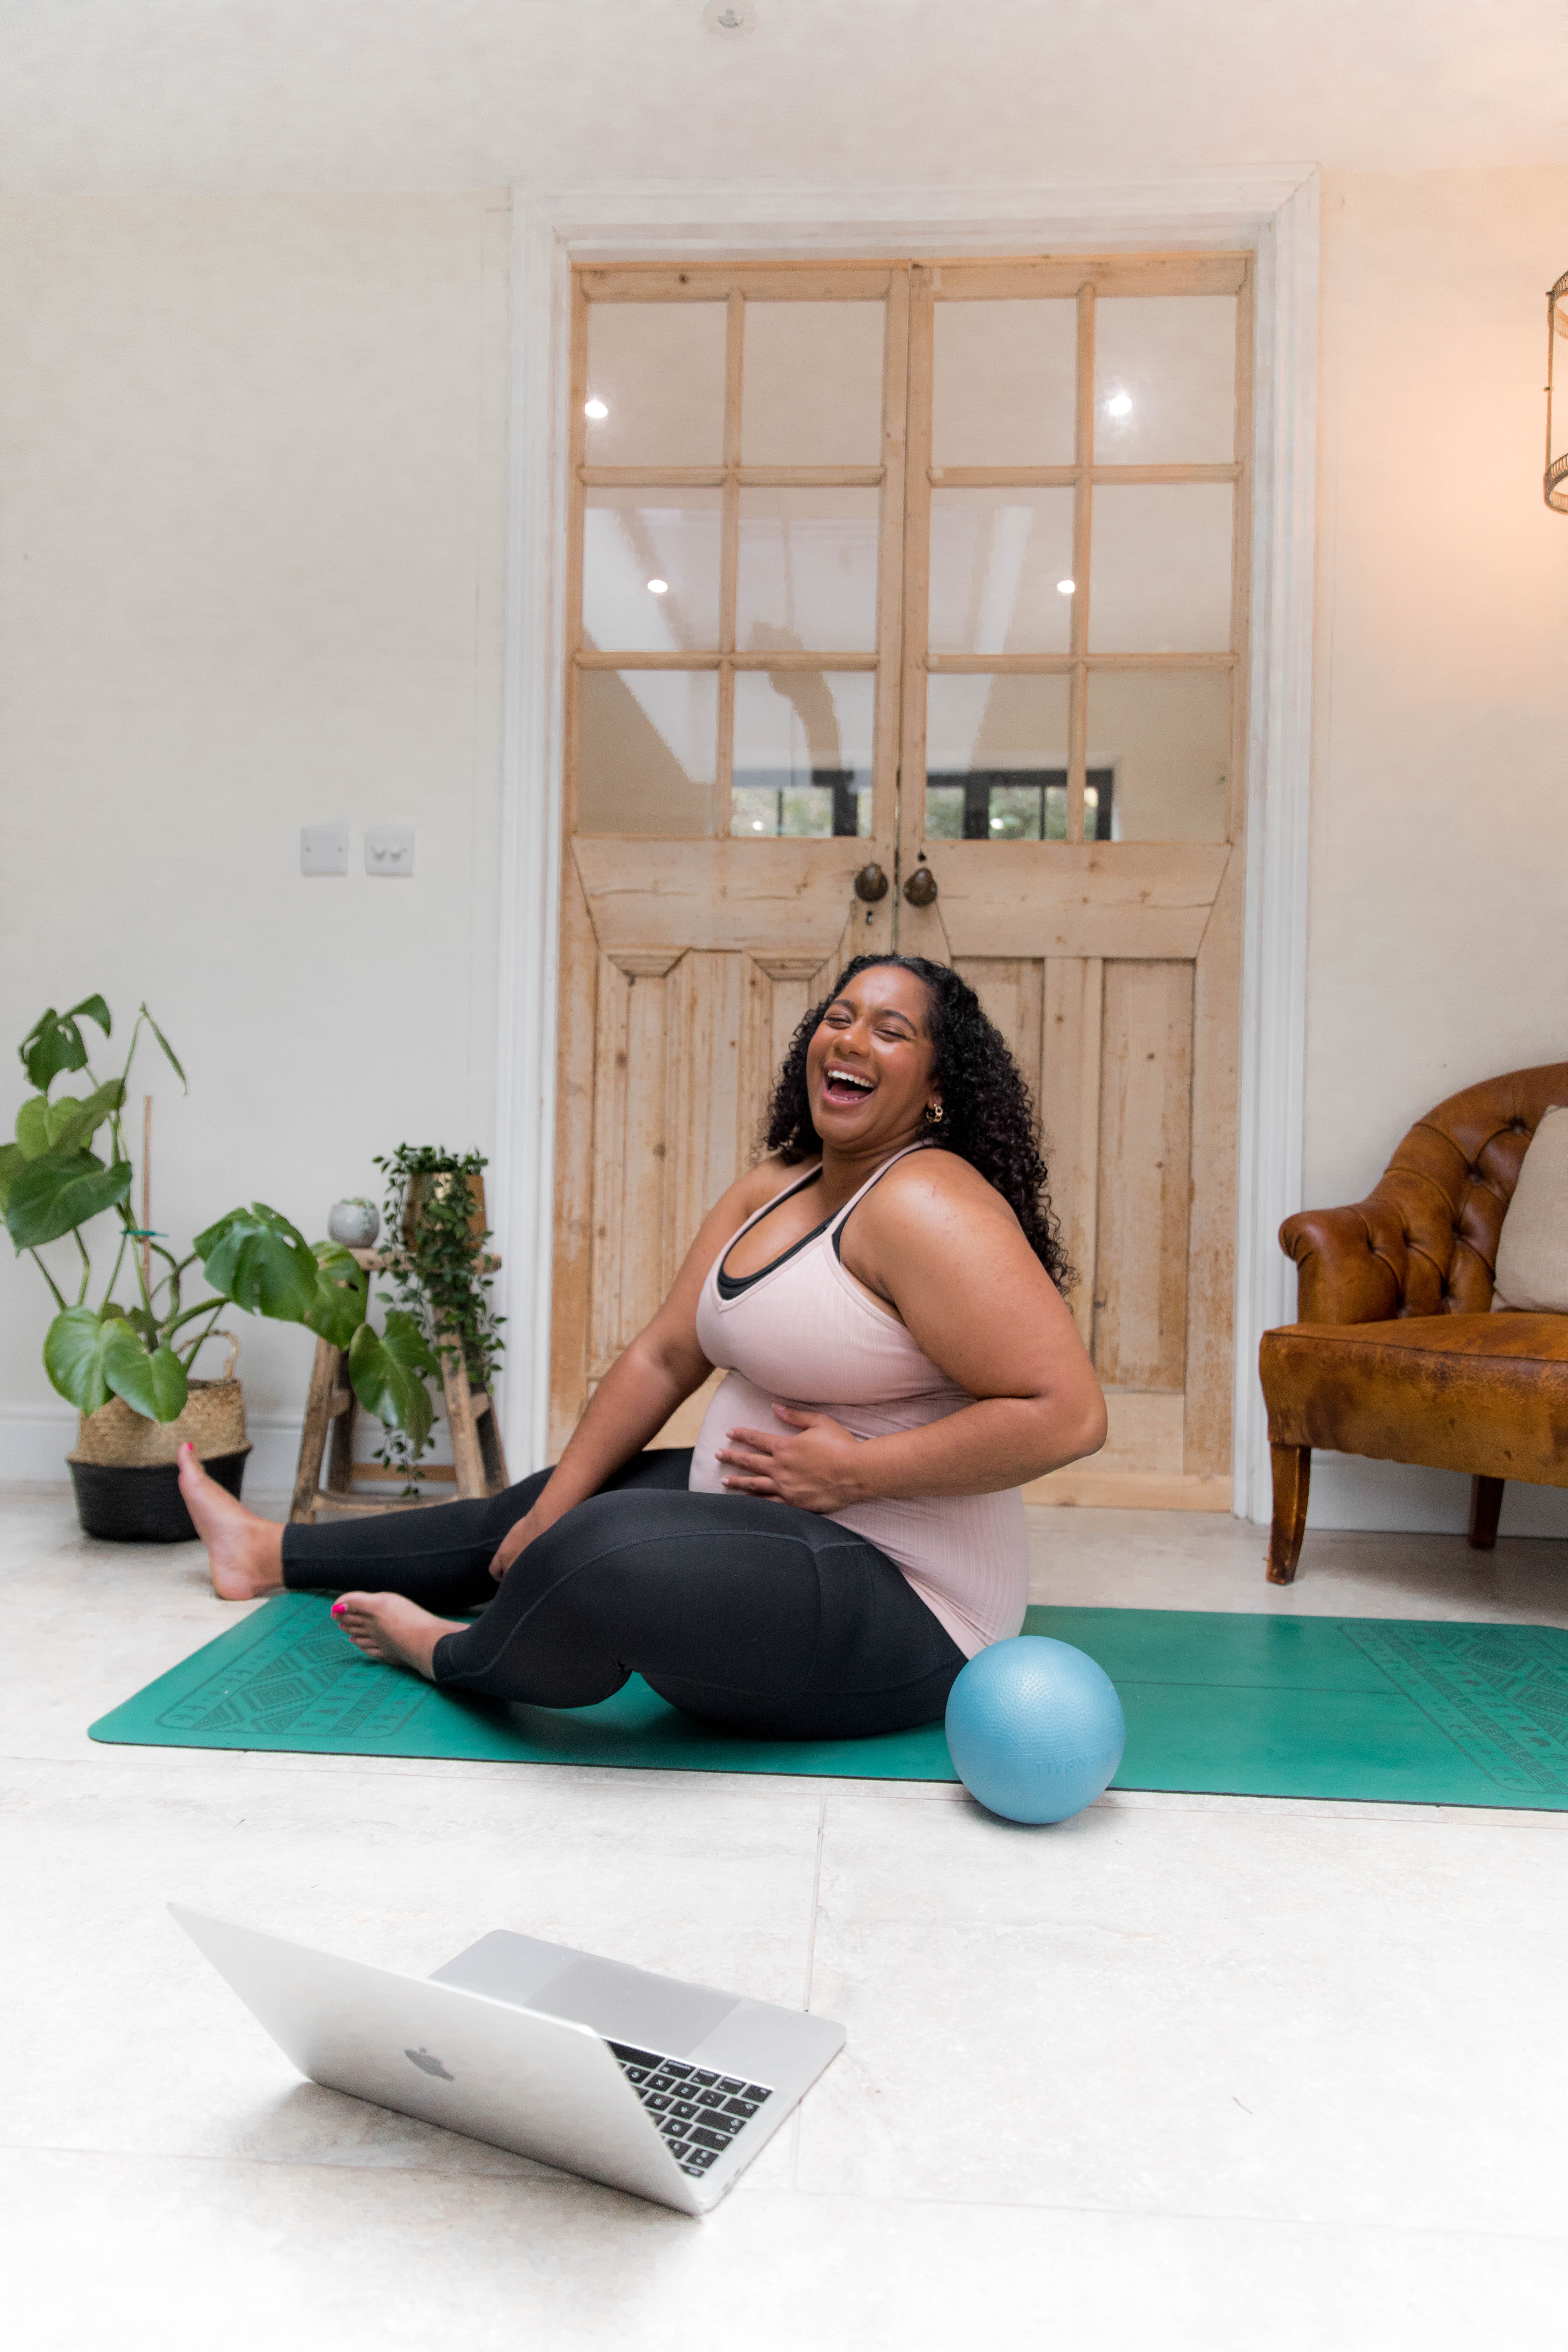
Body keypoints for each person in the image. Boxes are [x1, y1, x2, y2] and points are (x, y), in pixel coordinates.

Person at [179, 955, 1106, 1740]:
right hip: (786, 1528)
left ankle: (446, 1651)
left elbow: (1068, 1416)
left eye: (891, 1032)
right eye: (839, 1018)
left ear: (939, 1089)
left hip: (914, 1606)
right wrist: (548, 1515)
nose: (853, 1040)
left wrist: (855, 1474)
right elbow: (666, 1355)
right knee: (550, 1503)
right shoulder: (778, 1185)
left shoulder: (927, 1204)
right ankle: (268, 1552)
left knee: (598, 1548)